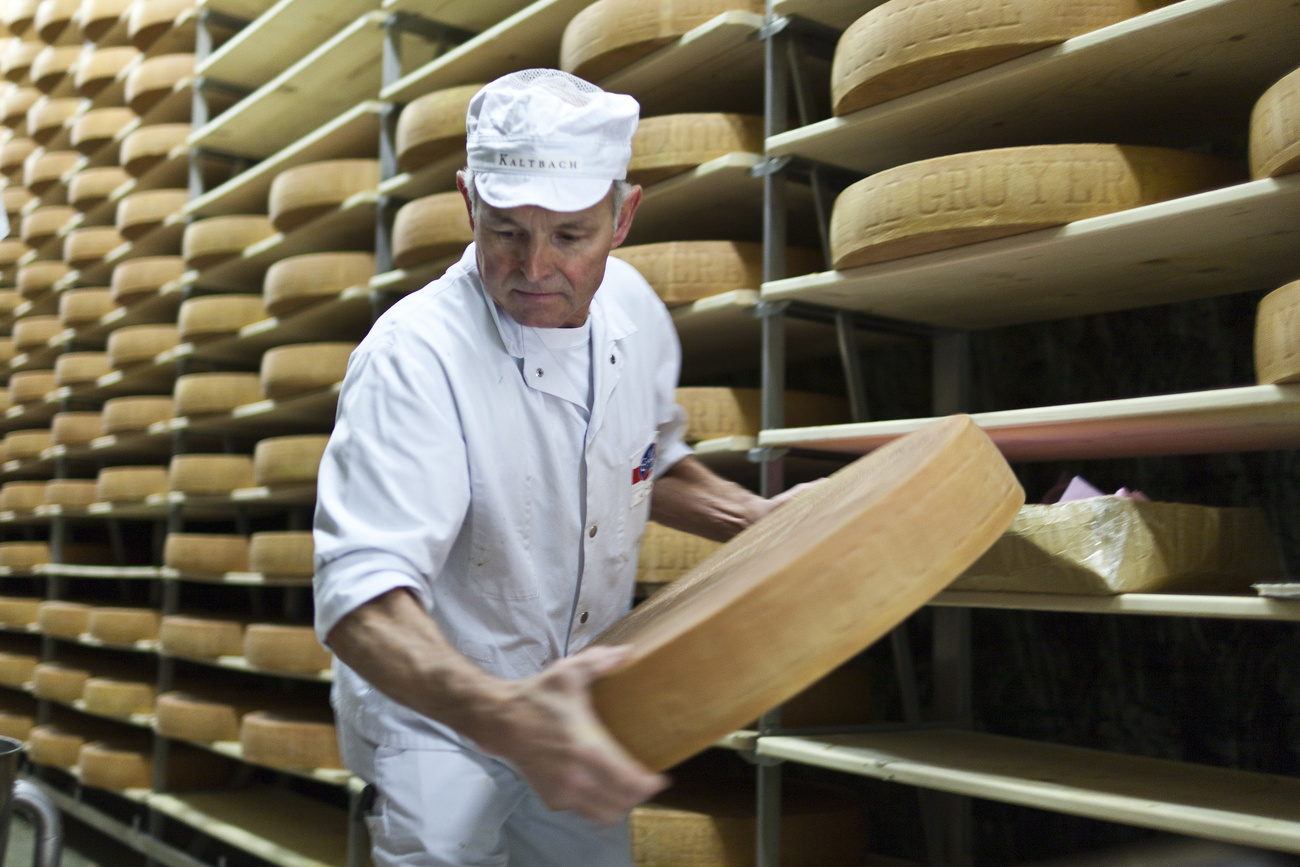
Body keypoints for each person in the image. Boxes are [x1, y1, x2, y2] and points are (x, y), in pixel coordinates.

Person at [313, 69, 804, 866]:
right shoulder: (413, 358)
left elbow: (651, 462)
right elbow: (361, 597)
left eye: (570, 235)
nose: (535, 267)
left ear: (624, 214)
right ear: (470, 203)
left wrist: (759, 522)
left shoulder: (636, 313)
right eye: (506, 230)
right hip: (439, 719)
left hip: (577, 707)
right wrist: (506, 714)